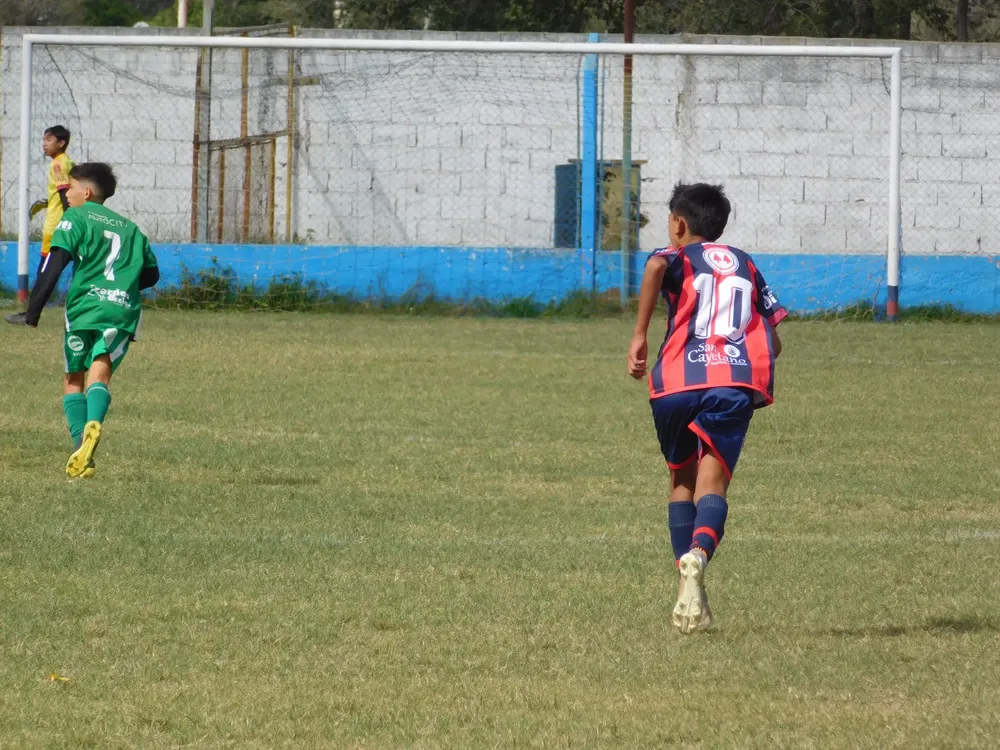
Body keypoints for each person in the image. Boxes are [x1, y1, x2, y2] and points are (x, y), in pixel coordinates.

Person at [627, 183, 787, 635]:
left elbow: (657, 263)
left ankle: (686, 577)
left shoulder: (673, 254)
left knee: (682, 478)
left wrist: (639, 334)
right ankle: (699, 554)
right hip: (733, 382)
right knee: (713, 478)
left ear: (679, 224)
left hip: (678, 381)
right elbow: (775, 339)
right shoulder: (746, 263)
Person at [22, 162, 160, 478]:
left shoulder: (76, 218)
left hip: (84, 307)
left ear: (86, 191)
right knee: (101, 371)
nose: (66, 194)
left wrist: (33, 311)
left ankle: (80, 449)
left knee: (73, 379)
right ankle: (94, 426)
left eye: (70, 188)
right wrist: (121, 286)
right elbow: (152, 274)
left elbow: (53, 264)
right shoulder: (131, 228)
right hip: (121, 309)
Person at [6, 125, 74, 325]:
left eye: (49, 140)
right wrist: (45, 203)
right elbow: (62, 192)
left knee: (45, 273)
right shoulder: (68, 162)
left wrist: (70, 219)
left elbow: (63, 195)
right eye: (43, 139)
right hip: (63, 227)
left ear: (61, 143)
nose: (44, 144)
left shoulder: (58, 164)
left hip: (56, 229)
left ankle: (30, 316)